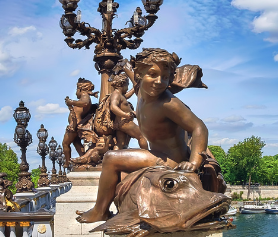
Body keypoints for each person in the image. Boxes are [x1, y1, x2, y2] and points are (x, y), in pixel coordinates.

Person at [76, 48, 212, 223]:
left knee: (111, 158)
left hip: (170, 159)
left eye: (165, 77)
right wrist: (124, 65)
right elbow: (133, 73)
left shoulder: (167, 103)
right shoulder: (141, 90)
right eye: (152, 75)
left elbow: (199, 127)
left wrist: (194, 163)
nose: (158, 82)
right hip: (157, 154)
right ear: (140, 75)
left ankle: (99, 211)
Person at [107, 73, 148, 150]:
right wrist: (125, 115)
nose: (127, 87)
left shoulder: (120, 94)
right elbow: (113, 107)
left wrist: (136, 86)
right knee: (141, 136)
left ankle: (113, 158)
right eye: (127, 85)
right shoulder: (116, 94)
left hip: (120, 123)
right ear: (123, 84)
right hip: (125, 122)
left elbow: (127, 95)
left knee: (120, 143)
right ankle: (147, 156)